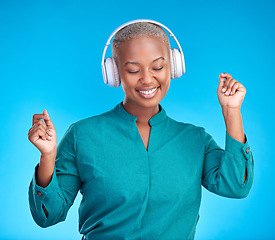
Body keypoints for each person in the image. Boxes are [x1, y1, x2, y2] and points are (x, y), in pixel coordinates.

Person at [28, 20, 254, 240]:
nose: (147, 79)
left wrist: (231, 111)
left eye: (158, 67)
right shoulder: (82, 135)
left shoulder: (195, 139)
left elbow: (236, 186)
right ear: (114, 73)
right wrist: (47, 156)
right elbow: (48, 215)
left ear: (174, 67)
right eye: (133, 70)